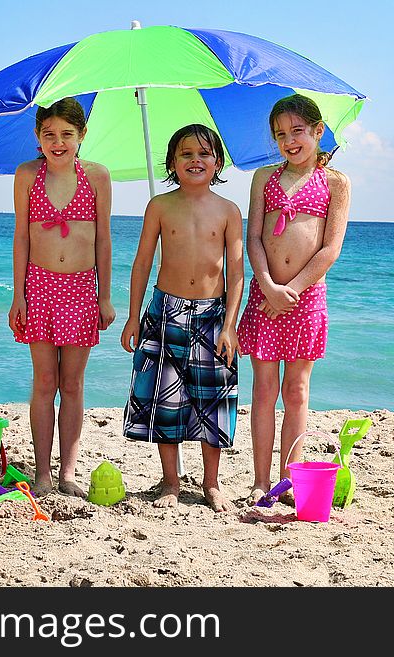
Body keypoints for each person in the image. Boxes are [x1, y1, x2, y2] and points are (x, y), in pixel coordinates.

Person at [121, 124, 244, 512]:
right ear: (173, 163)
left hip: (213, 314)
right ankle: (171, 482)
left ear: (218, 162)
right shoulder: (160, 206)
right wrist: (132, 316)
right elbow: (142, 263)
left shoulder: (228, 210)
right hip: (165, 310)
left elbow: (237, 272)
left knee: (213, 398)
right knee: (164, 397)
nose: (196, 160)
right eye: (186, 154)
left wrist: (229, 326)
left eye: (204, 154)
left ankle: (211, 484)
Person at [236, 94, 351, 505]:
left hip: (306, 298)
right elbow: (254, 237)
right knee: (263, 390)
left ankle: (291, 477)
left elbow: (330, 248)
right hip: (265, 296)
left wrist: (293, 290)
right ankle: (260, 480)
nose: (290, 140)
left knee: (297, 390)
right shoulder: (263, 178)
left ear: (318, 131)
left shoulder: (335, 182)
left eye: (298, 131)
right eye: (281, 134)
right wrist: (267, 284)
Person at [8, 98, 115, 498]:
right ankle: (42, 474)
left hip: (81, 289)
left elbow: (103, 239)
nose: (58, 142)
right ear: (38, 138)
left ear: (81, 136)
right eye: (49, 135)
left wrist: (105, 295)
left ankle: (67, 472)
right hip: (39, 286)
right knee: (45, 381)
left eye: (66, 135)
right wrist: (17, 296)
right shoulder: (26, 175)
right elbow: (22, 237)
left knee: (72, 383)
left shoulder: (97, 177)